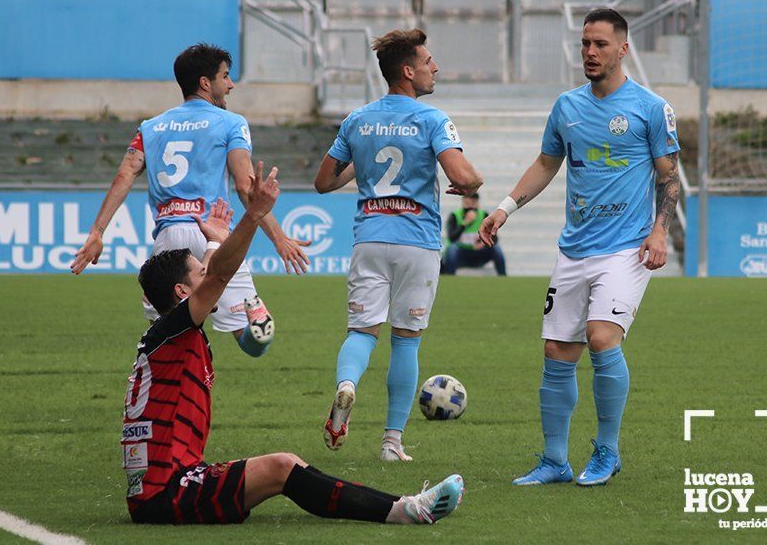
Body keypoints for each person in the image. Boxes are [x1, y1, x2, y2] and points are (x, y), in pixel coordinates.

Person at [123, 162, 465, 525]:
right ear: (182, 292)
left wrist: (213, 242)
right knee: (283, 467)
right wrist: (253, 215)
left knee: (287, 467)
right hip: (168, 492)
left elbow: (210, 272)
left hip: (167, 485)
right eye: (199, 273)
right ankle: (406, 511)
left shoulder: (168, 333)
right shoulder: (176, 330)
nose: (207, 276)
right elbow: (218, 274)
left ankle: (405, 507)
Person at [478, 8, 680, 486]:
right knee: (556, 350)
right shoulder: (567, 106)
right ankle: (554, 461)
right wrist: (505, 208)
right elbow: (547, 163)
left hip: (626, 248)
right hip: (575, 248)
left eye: (600, 44)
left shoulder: (651, 108)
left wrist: (659, 231)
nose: (590, 52)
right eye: (585, 43)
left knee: (601, 337)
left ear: (623, 48)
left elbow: (668, 176)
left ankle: (607, 452)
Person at [70, 43, 310, 358]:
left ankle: (161, 403)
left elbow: (125, 174)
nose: (231, 84)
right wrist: (278, 239)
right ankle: (256, 315)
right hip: (214, 234)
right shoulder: (231, 123)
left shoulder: (151, 127)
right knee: (255, 345)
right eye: (226, 76)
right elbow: (244, 186)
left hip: (169, 244)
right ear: (205, 83)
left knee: (169, 341)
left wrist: (98, 232)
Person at [314, 28, 483, 461]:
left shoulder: (357, 119)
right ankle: (392, 443)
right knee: (405, 341)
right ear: (407, 71)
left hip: (370, 238)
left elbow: (324, 181)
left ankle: (347, 385)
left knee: (361, 332)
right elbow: (462, 177)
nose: (435, 68)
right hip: (417, 242)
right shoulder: (432, 119)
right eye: (428, 62)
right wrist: (473, 182)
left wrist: (364, 166)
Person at [442, 193, 507, 275]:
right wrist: (465, 223)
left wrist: (483, 243)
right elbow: (451, 238)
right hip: (462, 253)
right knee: (452, 249)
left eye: (472, 204)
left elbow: (495, 238)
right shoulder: (455, 216)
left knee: (496, 248)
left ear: (477, 203)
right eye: (467, 204)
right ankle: (449, 277)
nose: (470, 208)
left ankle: (503, 276)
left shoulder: (484, 215)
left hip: (480, 253)